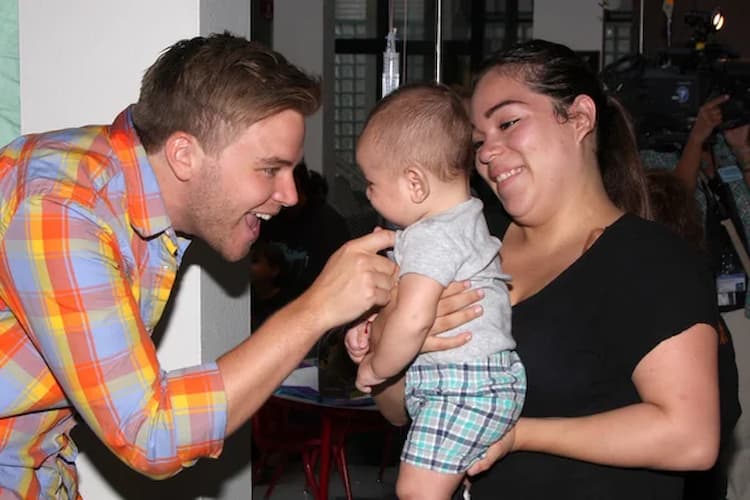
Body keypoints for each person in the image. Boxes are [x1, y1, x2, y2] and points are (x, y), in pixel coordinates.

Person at [0, 32, 406, 498]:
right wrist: (316, 309)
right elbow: (150, 436)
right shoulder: (63, 211)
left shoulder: (123, 187)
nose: (290, 195)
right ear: (184, 155)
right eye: (270, 169)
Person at [348, 39, 721, 499]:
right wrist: (389, 341)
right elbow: (398, 412)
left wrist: (521, 434)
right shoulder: (470, 244)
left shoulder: (649, 260)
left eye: (508, 123)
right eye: (478, 141)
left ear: (580, 117)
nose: (487, 153)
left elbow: (691, 438)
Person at [351, 82, 525, 500]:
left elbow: (413, 318)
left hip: (465, 386)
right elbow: (403, 307)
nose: (368, 194)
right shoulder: (457, 222)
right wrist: (372, 328)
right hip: (462, 384)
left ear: (414, 183)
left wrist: (376, 366)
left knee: (415, 491)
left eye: (372, 183)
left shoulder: (432, 236)